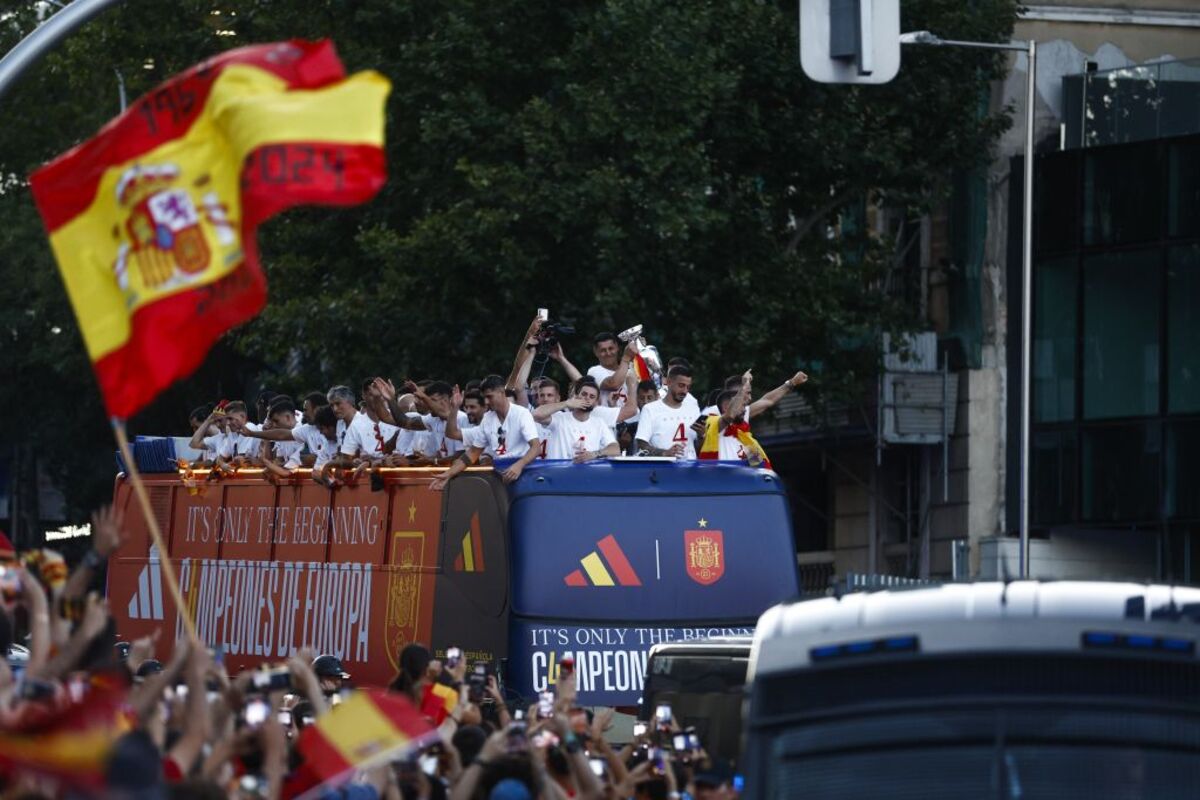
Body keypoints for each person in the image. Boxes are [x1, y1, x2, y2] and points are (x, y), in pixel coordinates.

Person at [431, 375, 540, 488]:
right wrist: (448, 474)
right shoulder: (488, 418)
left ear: (501, 392)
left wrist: (519, 465)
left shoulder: (521, 413)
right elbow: (472, 453)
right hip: (500, 474)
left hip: (524, 472)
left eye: (489, 397)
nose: (487, 402)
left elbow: (536, 448)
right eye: (485, 398)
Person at [531, 377, 621, 461]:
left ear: (596, 403)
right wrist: (566, 403)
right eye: (584, 394)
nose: (587, 398)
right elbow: (535, 414)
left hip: (586, 474)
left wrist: (594, 454)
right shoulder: (560, 418)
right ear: (576, 396)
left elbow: (615, 449)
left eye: (592, 397)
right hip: (559, 472)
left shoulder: (599, 423)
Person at [635, 365, 700, 459]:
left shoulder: (694, 409)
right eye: (681, 386)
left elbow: (698, 447)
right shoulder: (650, 409)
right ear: (669, 382)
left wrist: (702, 436)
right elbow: (641, 444)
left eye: (688, 387)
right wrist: (664, 453)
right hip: (662, 469)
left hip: (690, 469)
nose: (685, 391)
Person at [586, 332, 639, 408]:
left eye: (611, 348)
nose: (608, 353)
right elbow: (614, 384)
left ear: (617, 347)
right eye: (603, 350)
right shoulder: (594, 371)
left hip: (637, 417)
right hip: (613, 419)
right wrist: (626, 357)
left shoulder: (631, 367)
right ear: (596, 352)